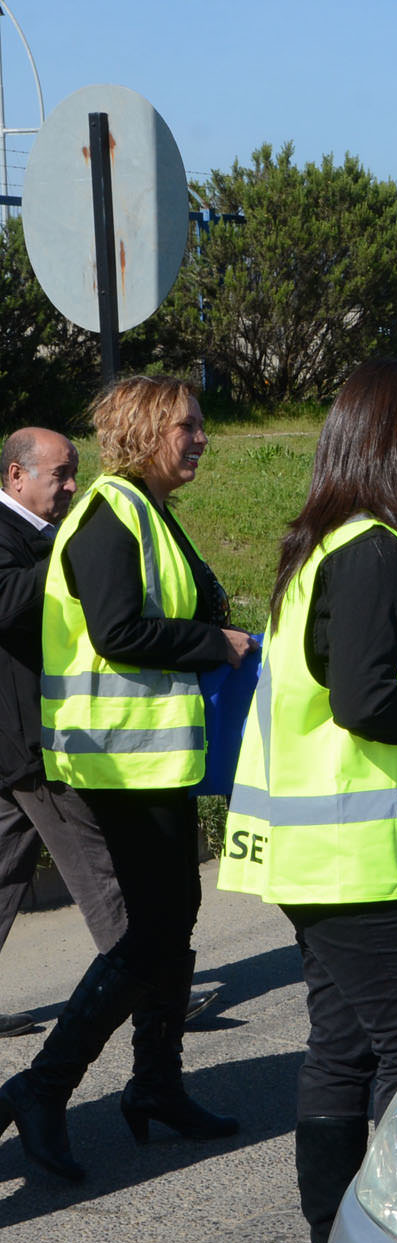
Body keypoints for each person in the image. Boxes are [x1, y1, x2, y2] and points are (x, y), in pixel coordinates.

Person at [215, 360, 397, 1243]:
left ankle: (331, 1240)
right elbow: (365, 701)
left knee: (345, 1046)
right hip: (346, 855)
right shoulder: (374, 550)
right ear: (388, 445)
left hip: (325, 851)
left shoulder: (343, 540)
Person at [0, 376, 253, 1184]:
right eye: (187, 426)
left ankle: (156, 1085)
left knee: (173, 924)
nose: (201, 438)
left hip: (154, 760)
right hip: (120, 763)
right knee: (149, 933)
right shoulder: (111, 515)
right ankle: (45, 1085)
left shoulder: (148, 512)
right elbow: (118, 631)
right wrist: (214, 643)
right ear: (145, 432)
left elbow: (192, 603)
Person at [0, 428, 217, 1038]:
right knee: (101, 869)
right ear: (16, 475)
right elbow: (6, 601)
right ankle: (149, 988)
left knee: (6, 871)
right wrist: (76, 558)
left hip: (25, 733)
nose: (72, 487)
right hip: (31, 738)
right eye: (59, 476)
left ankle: (146, 986)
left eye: (75, 473)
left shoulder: (48, 533)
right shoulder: (23, 535)